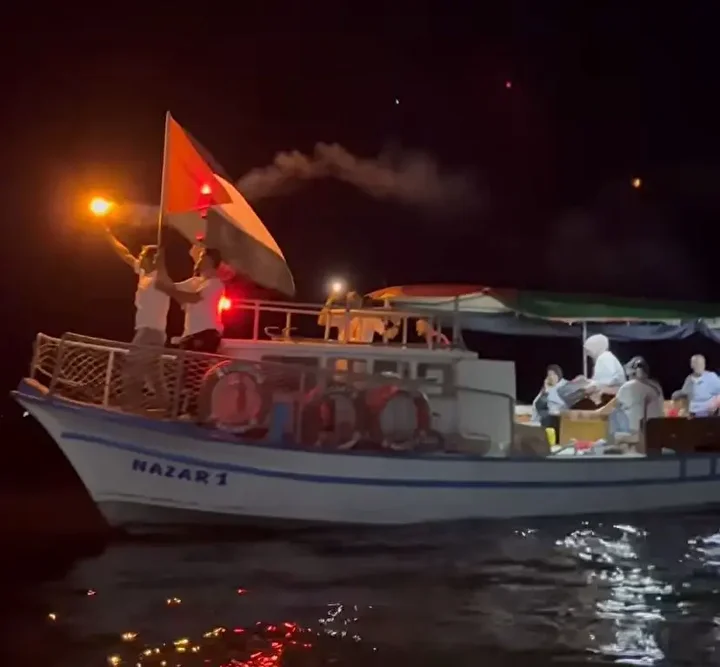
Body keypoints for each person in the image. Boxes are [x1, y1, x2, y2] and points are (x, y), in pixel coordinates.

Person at [103, 227, 170, 410]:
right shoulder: (144, 275)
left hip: (149, 332)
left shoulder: (159, 279)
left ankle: (131, 405)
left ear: (152, 260)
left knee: (133, 366)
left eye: (142, 256)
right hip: (152, 332)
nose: (139, 258)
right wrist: (107, 234)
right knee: (154, 373)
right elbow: (125, 254)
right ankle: (164, 405)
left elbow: (162, 269)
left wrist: (161, 255)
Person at [577, 356, 663, 452]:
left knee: (614, 417)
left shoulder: (630, 387)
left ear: (631, 373)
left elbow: (604, 412)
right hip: (655, 441)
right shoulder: (656, 387)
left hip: (638, 441)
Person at [156, 247, 226, 354]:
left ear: (210, 261)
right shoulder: (195, 282)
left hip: (205, 334)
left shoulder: (215, 283)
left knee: (193, 364)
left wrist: (167, 290)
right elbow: (171, 287)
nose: (199, 260)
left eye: (202, 257)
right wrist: (160, 266)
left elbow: (194, 298)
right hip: (190, 335)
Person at [531, 364, 568, 430]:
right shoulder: (547, 388)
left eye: (554, 374)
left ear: (559, 375)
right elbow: (538, 405)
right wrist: (546, 391)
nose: (551, 377)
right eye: (549, 375)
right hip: (549, 419)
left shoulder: (566, 385)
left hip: (564, 417)